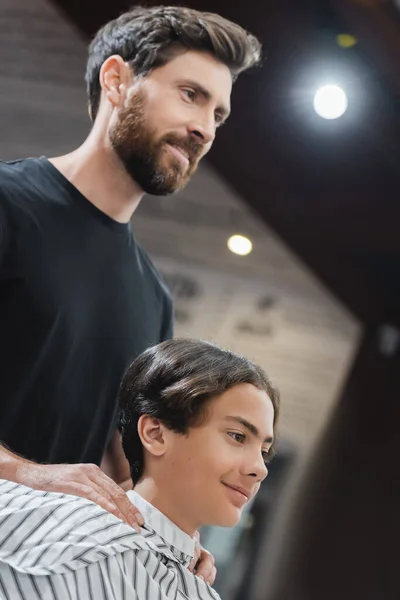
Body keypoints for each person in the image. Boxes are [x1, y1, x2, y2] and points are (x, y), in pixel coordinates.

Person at [0, 5, 262, 580]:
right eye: (190, 94)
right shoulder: (8, 206)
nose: (206, 129)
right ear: (116, 81)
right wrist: (30, 473)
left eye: (219, 114)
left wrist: (170, 538)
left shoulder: (154, 298)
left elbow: (123, 474)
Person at [0, 338, 279, 600]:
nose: (260, 469)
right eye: (237, 436)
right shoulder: (82, 537)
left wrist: (174, 538)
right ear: (156, 434)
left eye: (264, 452)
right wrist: (25, 472)